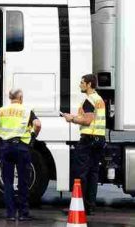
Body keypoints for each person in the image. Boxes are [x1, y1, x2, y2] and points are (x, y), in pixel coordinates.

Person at [0, 89, 41, 221]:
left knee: (8, 181)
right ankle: (23, 213)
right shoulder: (27, 110)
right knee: (23, 181)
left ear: (10, 98)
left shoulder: (1, 110)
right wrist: (33, 136)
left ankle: (10, 214)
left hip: (6, 147)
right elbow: (37, 124)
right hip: (22, 147)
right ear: (20, 98)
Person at [62, 74, 106, 215]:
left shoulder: (89, 100)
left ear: (89, 84)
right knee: (93, 173)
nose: (80, 85)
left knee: (81, 173)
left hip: (88, 139)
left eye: (82, 83)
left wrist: (72, 119)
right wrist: (75, 117)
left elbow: (87, 121)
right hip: (99, 138)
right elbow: (91, 118)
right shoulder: (98, 99)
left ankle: (80, 206)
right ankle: (89, 206)